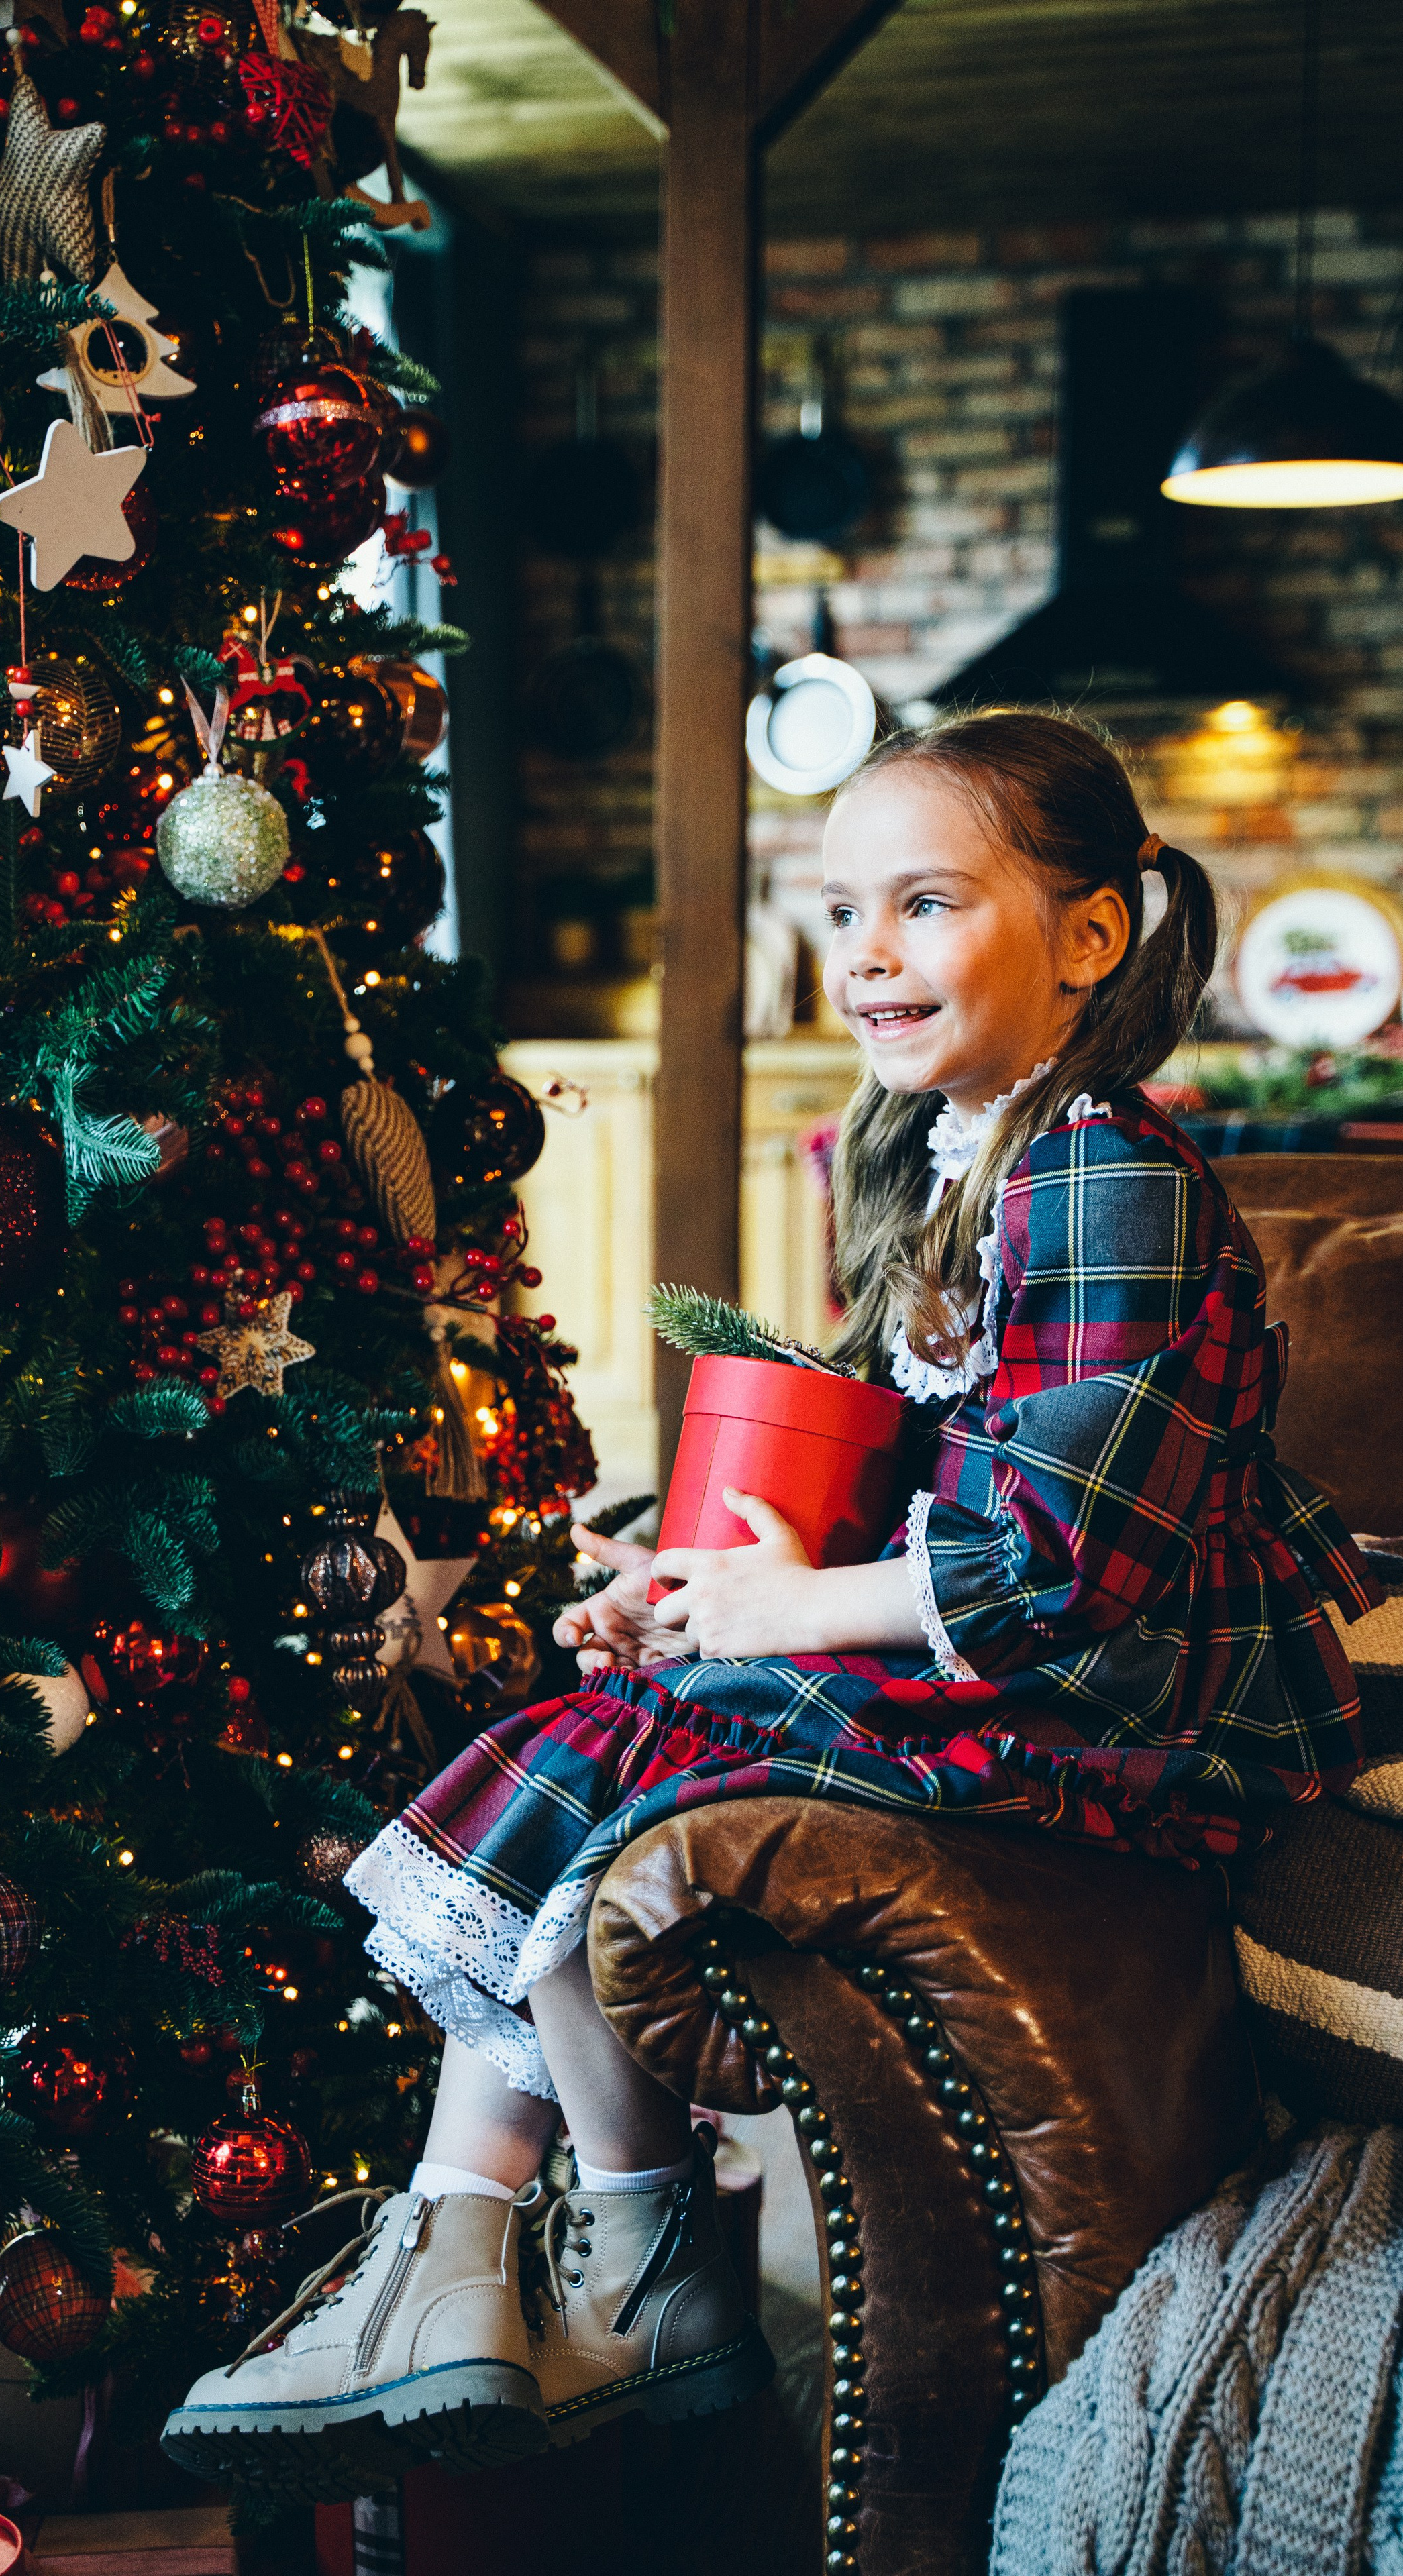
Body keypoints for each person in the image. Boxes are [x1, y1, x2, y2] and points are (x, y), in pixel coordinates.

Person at [162, 708, 1374, 2502]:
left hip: (1141, 1703)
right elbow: (914, 1496)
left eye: (927, 904)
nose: (865, 952)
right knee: (606, 1745)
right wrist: (693, 1592)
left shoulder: (1102, 1168)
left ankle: (596, 2263)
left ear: (1093, 935)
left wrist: (775, 1612)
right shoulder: (967, 1159)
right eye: (842, 910)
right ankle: (489, 2250)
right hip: (1052, 1664)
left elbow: (1058, 1558)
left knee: (614, 1766)